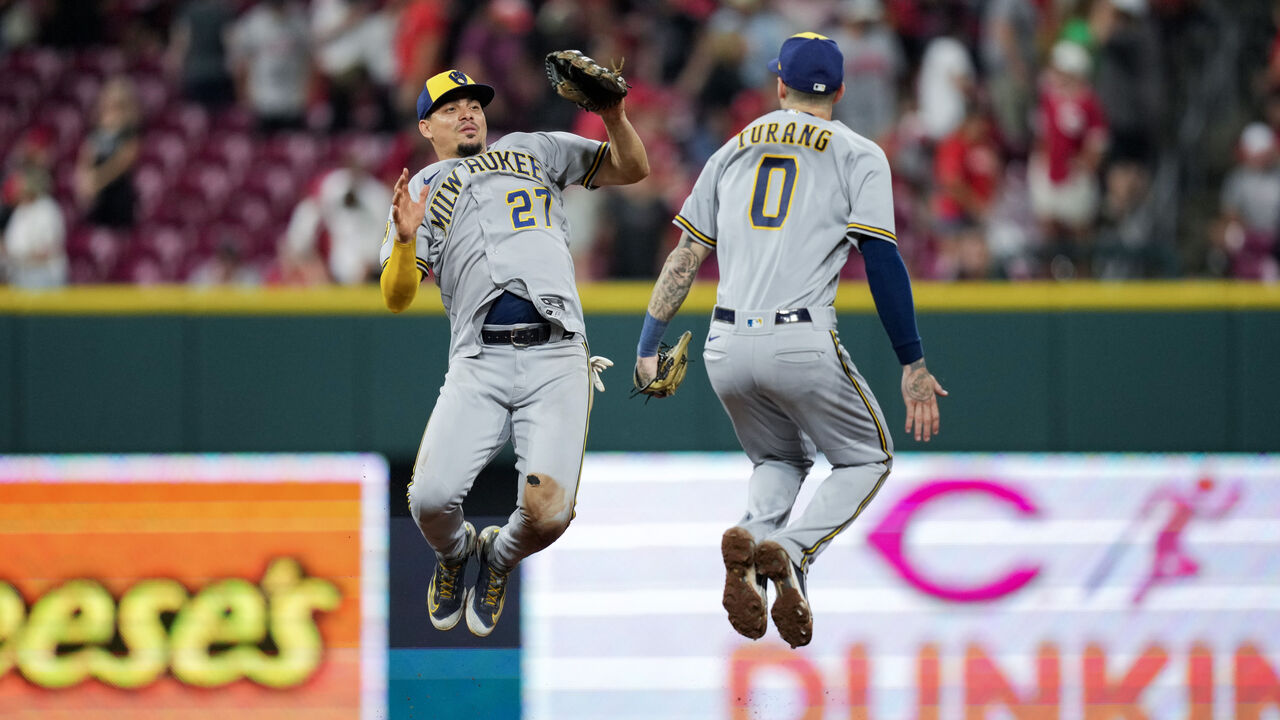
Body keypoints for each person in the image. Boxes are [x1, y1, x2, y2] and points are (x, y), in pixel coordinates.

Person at [633, 33, 946, 649]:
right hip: (799, 339)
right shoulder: (858, 152)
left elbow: (687, 255)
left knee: (779, 458)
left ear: (779, 85)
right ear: (842, 90)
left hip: (724, 343)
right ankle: (792, 551)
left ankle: (752, 541)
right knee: (868, 459)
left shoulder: (730, 149)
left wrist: (649, 343)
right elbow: (881, 260)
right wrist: (912, 362)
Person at [380, 69, 648, 637]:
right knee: (427, 501)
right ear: (426, 125)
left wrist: (615, 115)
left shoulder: (536, 148)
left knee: (549, 516)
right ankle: (455, 555)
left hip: (557, 357)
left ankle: (498, 558)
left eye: (474, 102)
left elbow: (632, 167)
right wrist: (405, 243)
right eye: (450, 107)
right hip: (478, 361)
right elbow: (397, 297)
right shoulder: (421, 189)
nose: (468, 111)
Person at [74, 76, 141, 229]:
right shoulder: (97, 127)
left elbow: (123, 161)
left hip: (117, 190)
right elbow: (86, 154)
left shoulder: (130, 129)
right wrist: (84, 180)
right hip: (97, 193)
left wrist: (97, 181)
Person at [1, 167, 66, 288]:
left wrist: (18, 255)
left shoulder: (47, 209)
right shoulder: (20, 210)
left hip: (45, 276)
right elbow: (11, 245)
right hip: (20, 275)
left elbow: (46, 252)